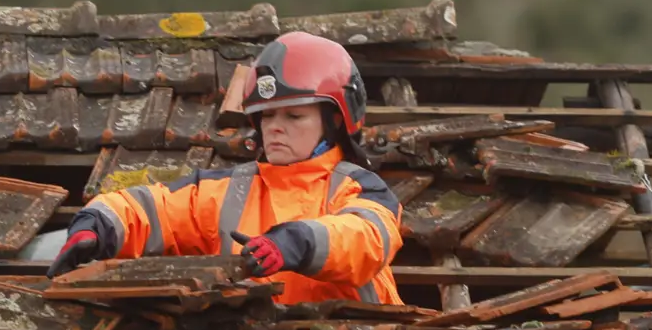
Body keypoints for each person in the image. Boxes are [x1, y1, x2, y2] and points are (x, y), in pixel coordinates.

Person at [47, 30, 404, 305]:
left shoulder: (363, 190)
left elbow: (365, 239)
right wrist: (98, 225)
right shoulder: (228, 191)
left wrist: (297, 242)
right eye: (267, 115)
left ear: (336, 121)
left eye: (294, 115)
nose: (275, 127)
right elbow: (151, 209)